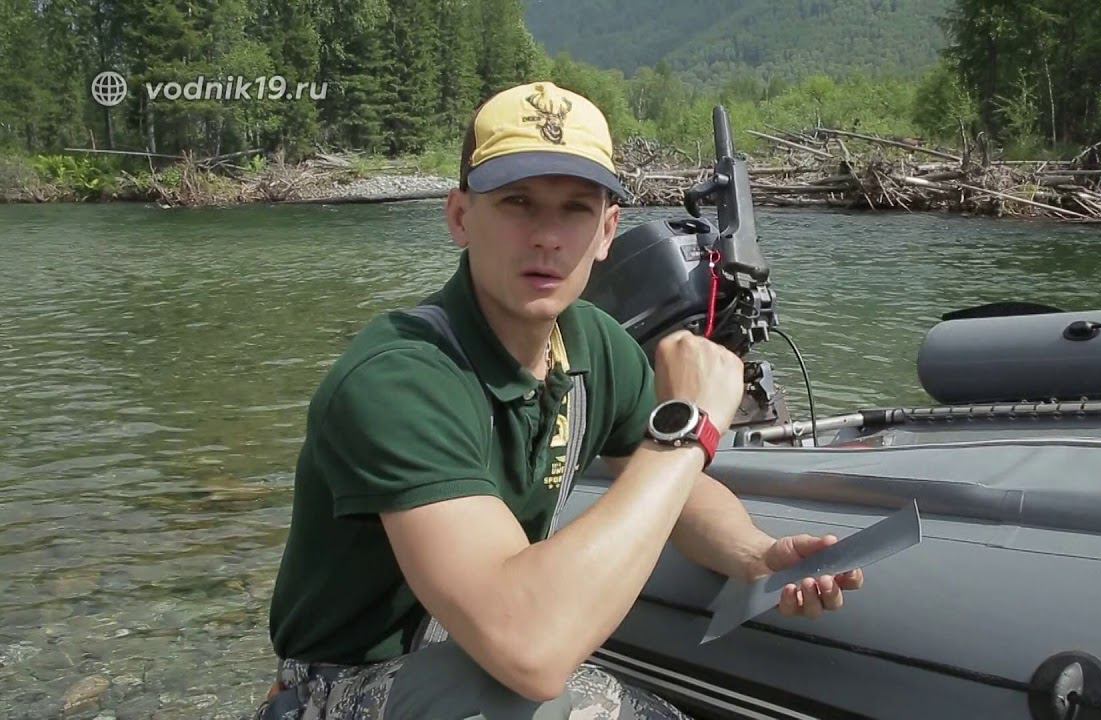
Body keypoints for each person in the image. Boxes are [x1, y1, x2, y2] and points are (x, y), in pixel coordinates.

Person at [257, 80, 864, 720]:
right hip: (344, 687)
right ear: (460, 217)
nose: (547, 236)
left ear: (606, 232)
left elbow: (674, 488)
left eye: (575, 209)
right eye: (518, 202)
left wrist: (756, 555)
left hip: (470, 659)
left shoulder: (592, 344)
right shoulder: (398, 379)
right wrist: (690, 429)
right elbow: (530, 650)